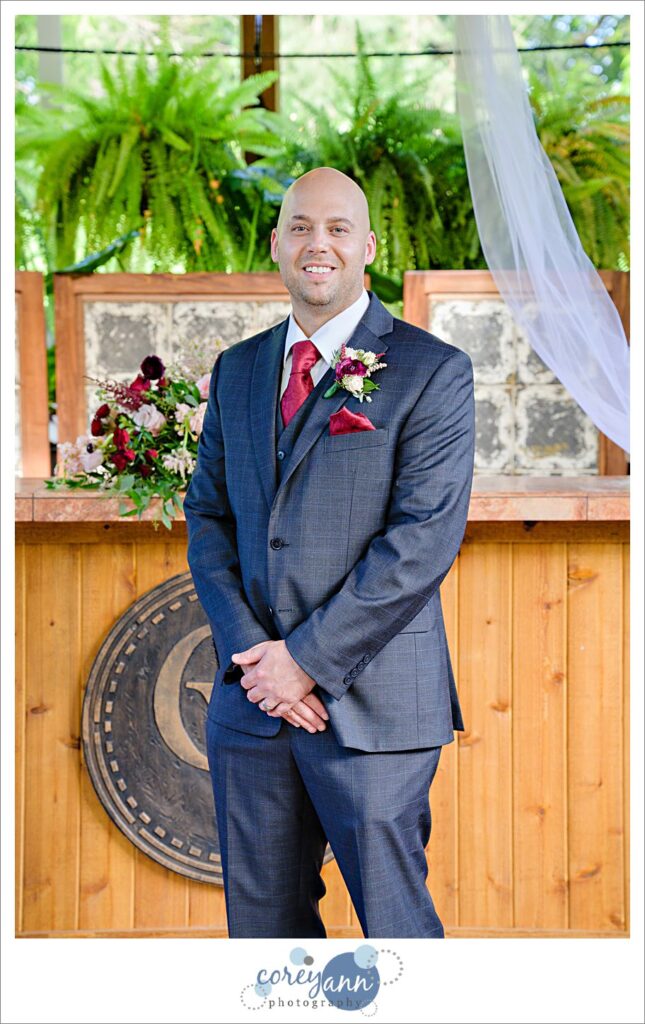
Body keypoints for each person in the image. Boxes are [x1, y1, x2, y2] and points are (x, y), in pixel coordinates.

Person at [183, 166, 475, 939]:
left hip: (375, 708)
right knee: (267, 937)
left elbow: (421, 542)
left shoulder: (433, 371)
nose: (319, 244)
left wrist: (302, 660)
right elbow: (207, 516)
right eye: (302, 228)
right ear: (276, 244)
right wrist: (255, 656)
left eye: (338, 228)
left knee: (396, 929)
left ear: (367, 246)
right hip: (253, 709)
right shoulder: (238, 369)